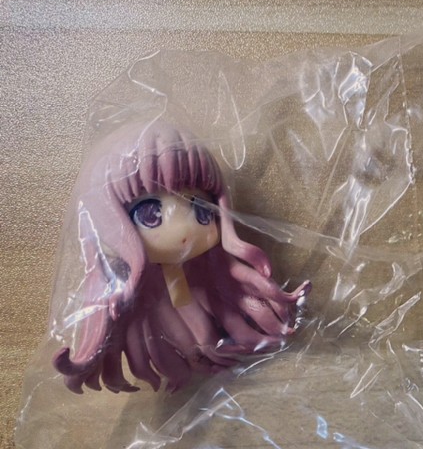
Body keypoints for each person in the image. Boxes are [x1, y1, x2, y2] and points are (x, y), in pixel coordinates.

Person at [53, 121, 310, 393]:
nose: (184, 230)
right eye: (150, 214)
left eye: (201, 208)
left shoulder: (210, 274)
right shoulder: (132, 296)